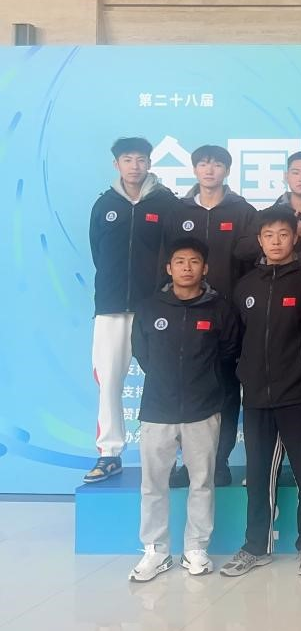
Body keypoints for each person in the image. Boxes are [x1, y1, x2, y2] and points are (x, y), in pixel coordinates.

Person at [127, 238, 242, 582]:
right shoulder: (149, 308)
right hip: (157, 410)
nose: (187, 267)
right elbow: (142, 353)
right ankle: (156, 551)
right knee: (152, 484)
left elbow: (228, 353)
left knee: (202, 482)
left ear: (205, 268)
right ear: (169, 268)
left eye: (194, 262)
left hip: (202, 409)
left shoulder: (219, 309)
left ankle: (196, 548)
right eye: (180, 261)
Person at [220, 207, 301, 578]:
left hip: (300, 394)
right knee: (260, 474)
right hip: (257, 397)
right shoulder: (246, 285)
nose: (276, 242)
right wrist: (244, 375)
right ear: (259, 240)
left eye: (283, 234)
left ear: (295, 237)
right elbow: (235, 340)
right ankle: (255, 546)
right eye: (268, 235)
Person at [85, 137, 178, 484]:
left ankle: (168, 456)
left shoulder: (166, 203)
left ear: (150, 163)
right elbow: (98, 251)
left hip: (155, 307)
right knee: (109, 379)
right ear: (117, 164)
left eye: (141, 159)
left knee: (164, 378)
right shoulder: (104, 205)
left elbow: (176, 252)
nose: (134, 166)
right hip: (110, 307)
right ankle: (109, 453)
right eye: (128, 159)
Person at [169, 144, 257, 488]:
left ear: (227, 170)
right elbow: (166, 261)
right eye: (203, 164)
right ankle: (188, 463)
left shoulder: (244, 212)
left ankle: (218, 462)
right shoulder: (178, 211)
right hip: (186, 316)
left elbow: (253, 265)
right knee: (187, 391)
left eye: (217, 164)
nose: (210, 170)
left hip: (230, 318)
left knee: (227, 392)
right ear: (194, 169)